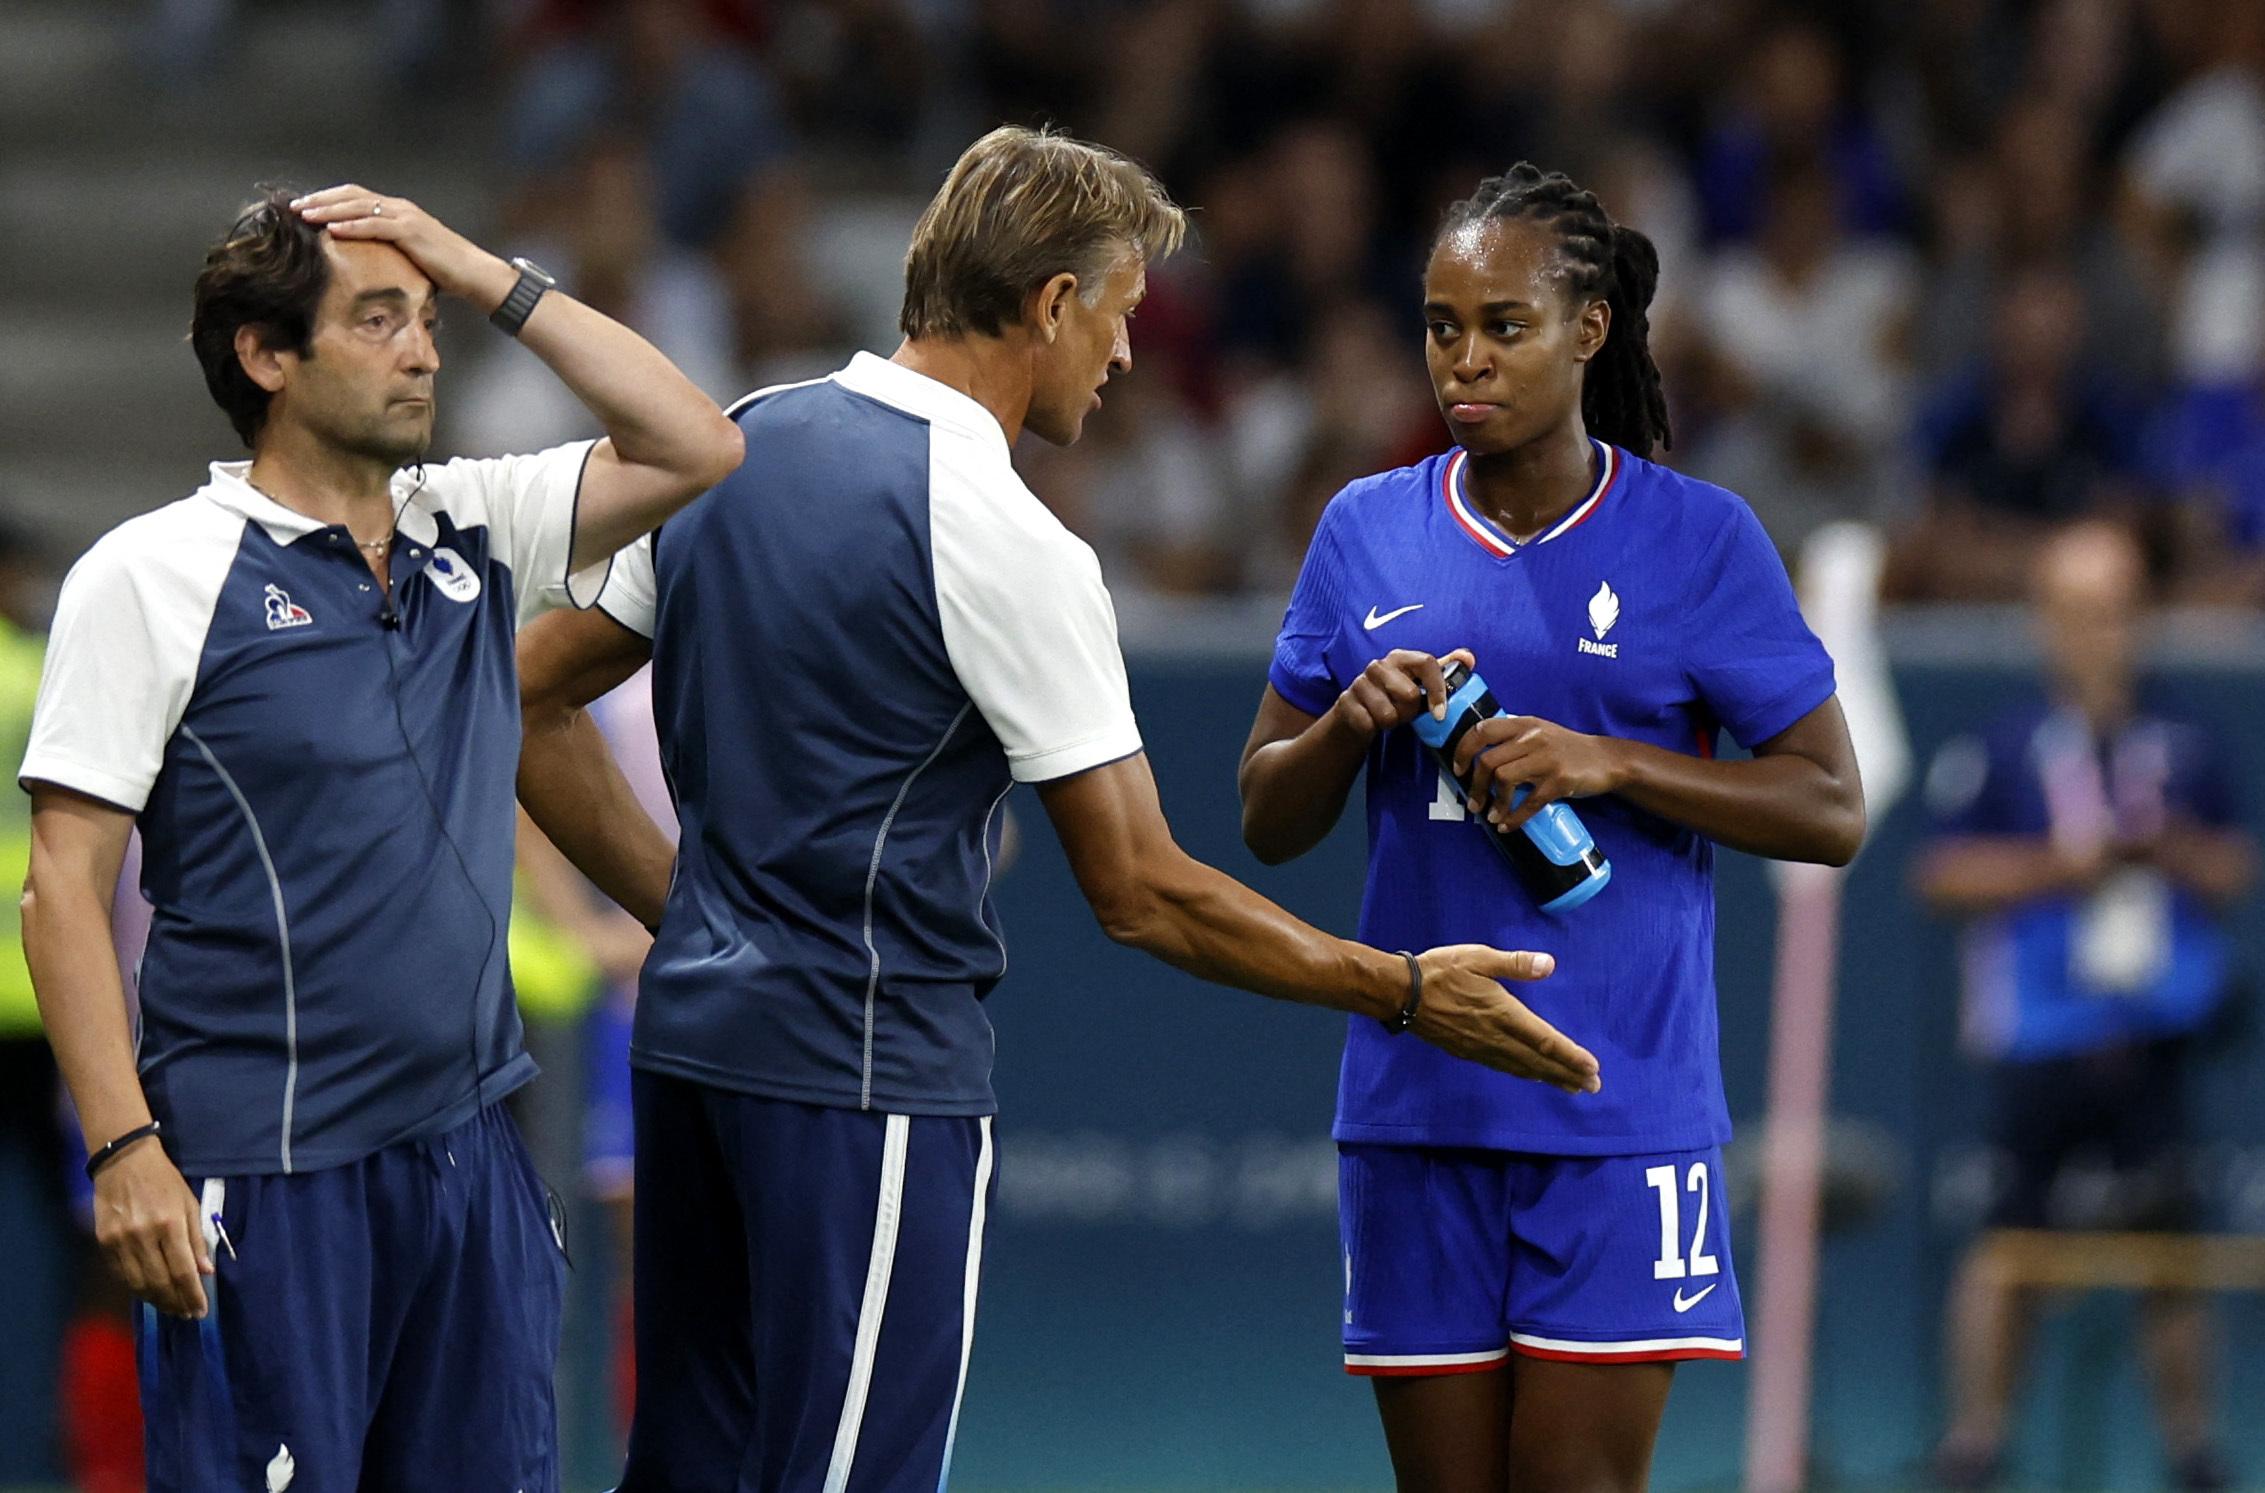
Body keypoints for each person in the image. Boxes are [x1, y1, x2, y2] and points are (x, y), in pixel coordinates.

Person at [513, 125, 1601, 1493]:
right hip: (864, 1079)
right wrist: (1396, 987)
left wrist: (696, 921)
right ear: (1050, 305)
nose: (1128, 354)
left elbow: (527, 699)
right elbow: (1139, 888)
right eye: (1122, 314)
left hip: (692, 1055)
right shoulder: (1004, 532)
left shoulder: (742, 442)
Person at [18, 183, 742, 1491]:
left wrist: (479, 269)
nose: (423, 347)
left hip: (474, 1160)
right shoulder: (150, 574)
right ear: (265, 355)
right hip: (266, 1168)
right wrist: (126, 1148)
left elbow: (696, 443)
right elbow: (62, 885)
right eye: (378, 318)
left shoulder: (463, 520)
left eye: (427, 319)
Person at [1237, 162, 1865, 1493]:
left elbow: (1830, 806)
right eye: (1439, 324)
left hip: (1618, 1107)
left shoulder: (1698, 540)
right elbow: (1265, 814)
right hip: (1418, 1112)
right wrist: (1349, 721)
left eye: (1502, 326)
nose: (1464, 360)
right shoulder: (1365, 530)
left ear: (1585, 332)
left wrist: (1612, 764)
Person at [1919, 521, 2251, 1493]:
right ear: (2045, 622)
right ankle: (1975, 1440)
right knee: (2007, 1243)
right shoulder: (2009, 741)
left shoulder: (2185, 738)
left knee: (2173, 1243)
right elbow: (1941, 872)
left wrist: (2172, 849)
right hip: (2040, 1033)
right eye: (2079, 612)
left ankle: (2195, 1446)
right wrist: (2053, 868)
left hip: (2154, 1030)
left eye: (2115, 610)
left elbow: (2232, 864)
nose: (2099, 633)